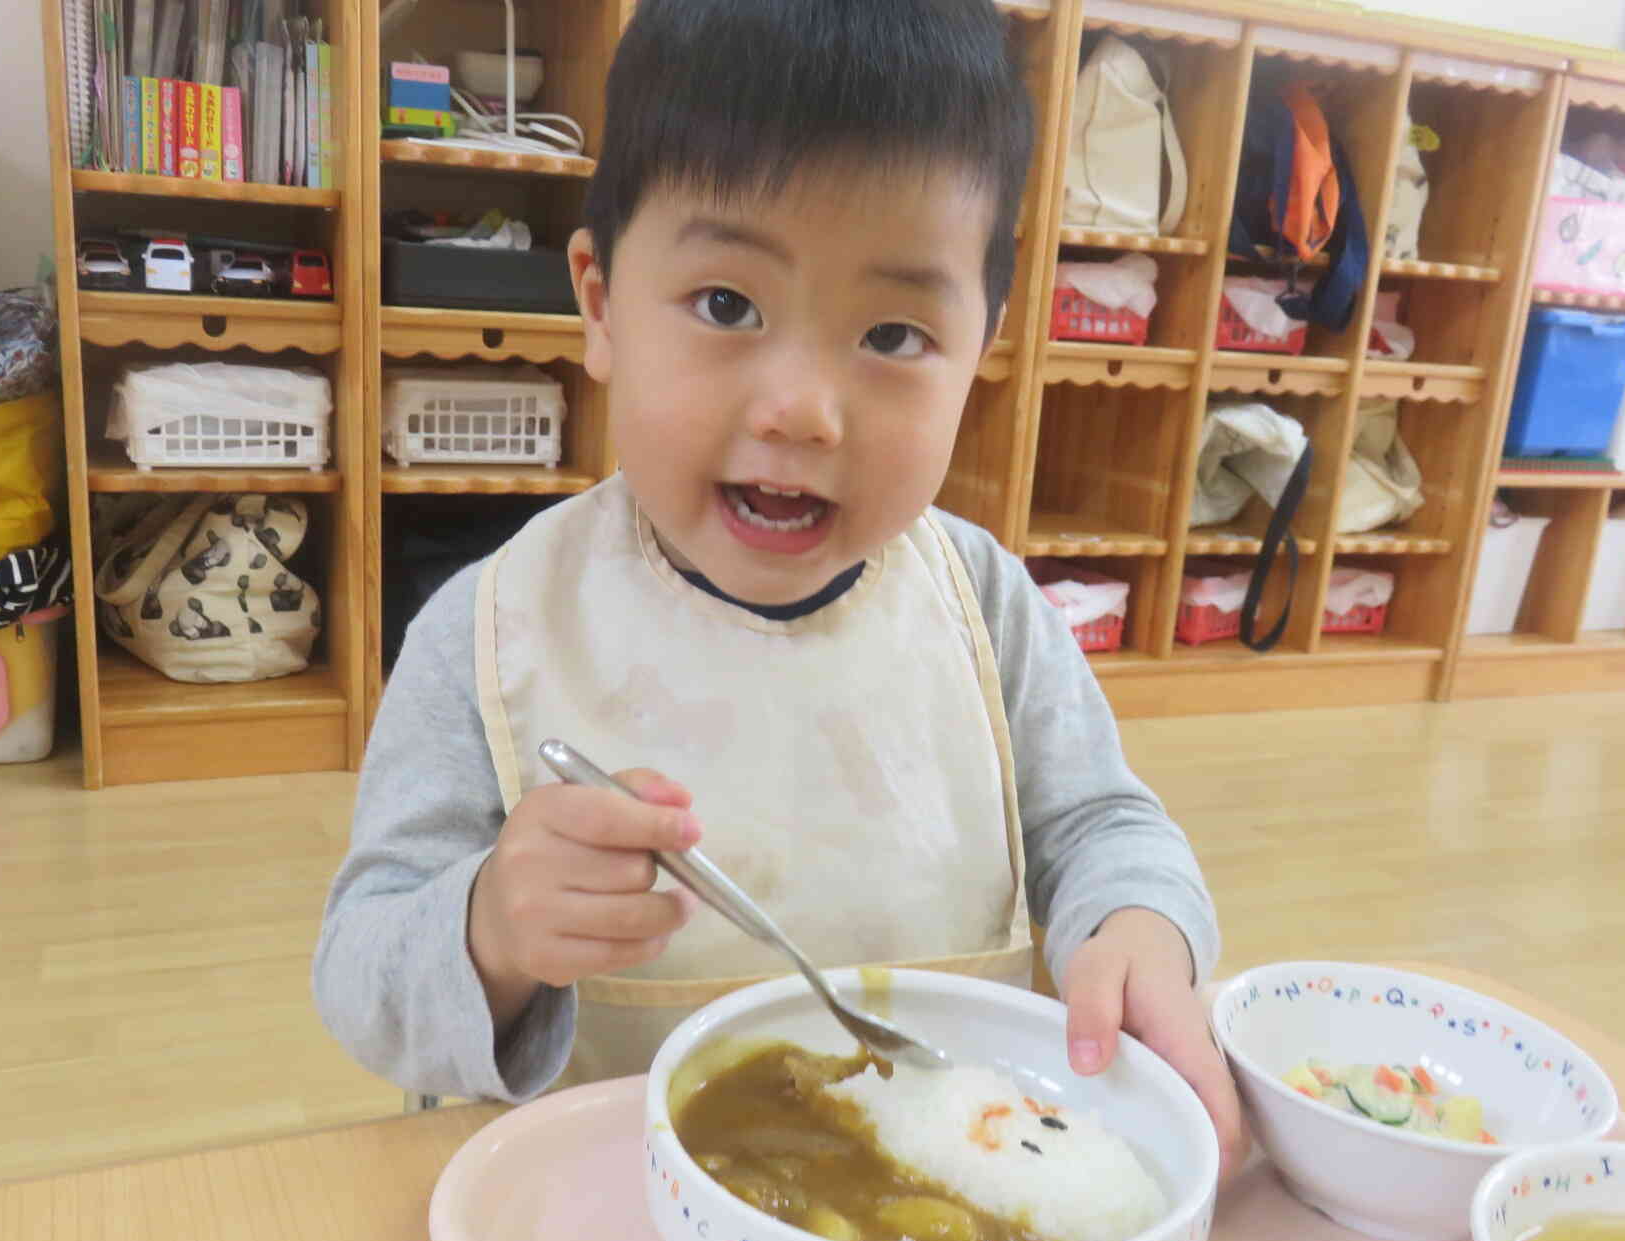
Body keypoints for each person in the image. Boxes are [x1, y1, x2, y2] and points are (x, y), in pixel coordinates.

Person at [315, 0, 1245, 1175]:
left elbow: (1105, 827)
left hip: (944, 1197)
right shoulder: (493, 634)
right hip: (596, 1222)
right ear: (598, 304)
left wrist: (1138, 927)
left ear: (984, 346)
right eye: (726, 306)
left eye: (895, 334)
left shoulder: (982, 608)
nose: (801, 409)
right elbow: (360, 975)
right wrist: (490, 927)